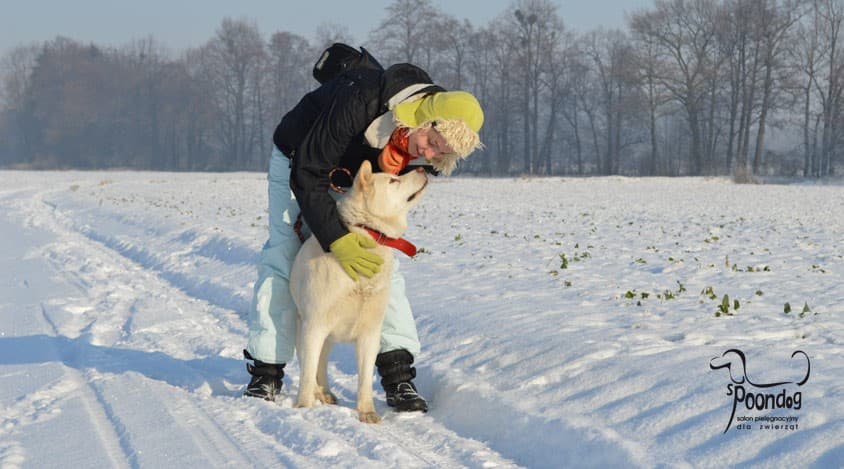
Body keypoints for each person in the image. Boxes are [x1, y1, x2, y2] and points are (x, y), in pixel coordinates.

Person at [242, 57, 484, 413]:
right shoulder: (361, 100)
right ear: (426, 116)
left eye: (440, 153)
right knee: (285, 253)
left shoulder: (419, 137)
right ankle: (267, 370)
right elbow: (309, 174)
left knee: (382, 266)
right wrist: (335, 237)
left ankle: (398, 374)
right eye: (432, 141)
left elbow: (389, 187)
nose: (428, 154)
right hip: (301, 160)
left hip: (358, 178)